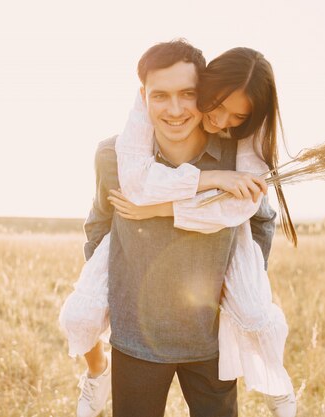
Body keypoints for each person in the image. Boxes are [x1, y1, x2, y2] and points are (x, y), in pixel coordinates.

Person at [60, 40, 295, 417]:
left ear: (203, 89)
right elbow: (99, 227)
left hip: (209, 339)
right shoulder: (112, 155)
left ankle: (276, 381)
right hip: (135, 339)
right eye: (160, 96)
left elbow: (261, 221)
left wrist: (237, 287)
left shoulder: (239, 158)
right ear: (143, 97)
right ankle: (96, 373)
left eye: (187, 94)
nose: (174, 109)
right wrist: (117, 290)